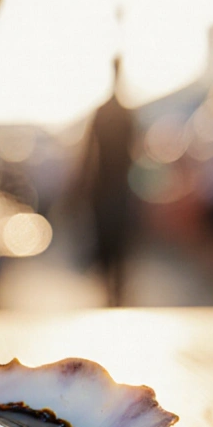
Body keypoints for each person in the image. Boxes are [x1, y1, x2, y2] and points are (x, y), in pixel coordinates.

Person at [86, 60, 136, 306]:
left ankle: (113, 290)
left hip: (110, 186)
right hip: (112, 187)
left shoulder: (111, 112)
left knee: (113, 239)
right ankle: (112, 290)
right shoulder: (121, 112)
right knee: (112, 240)